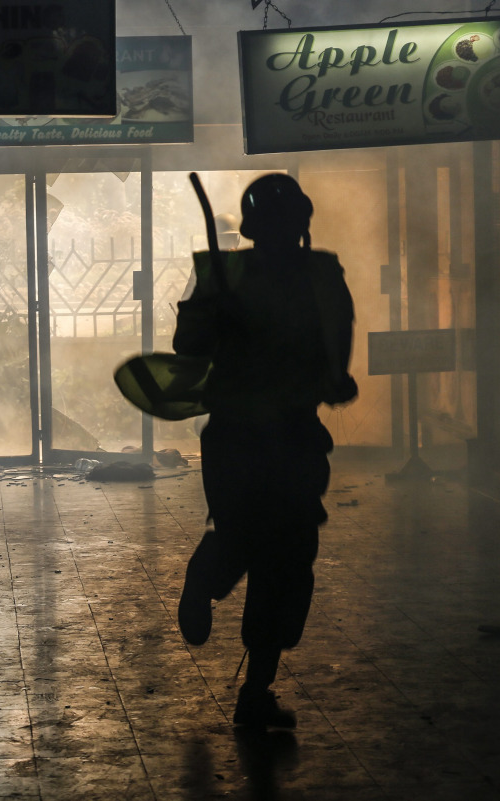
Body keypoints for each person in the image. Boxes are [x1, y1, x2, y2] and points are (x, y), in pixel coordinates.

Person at [173, 173, 357, 729]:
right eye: (276, 225)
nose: (284, 235)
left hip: (291, 435)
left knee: (285, 560)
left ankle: (255, 690)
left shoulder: (320, 273)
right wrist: (214, 317)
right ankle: (205, 581)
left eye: (289, 225)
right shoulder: (223, 276)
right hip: (238, 436)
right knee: (250, 541)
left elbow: (336, 346)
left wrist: (333, 380)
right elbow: (187, 348)